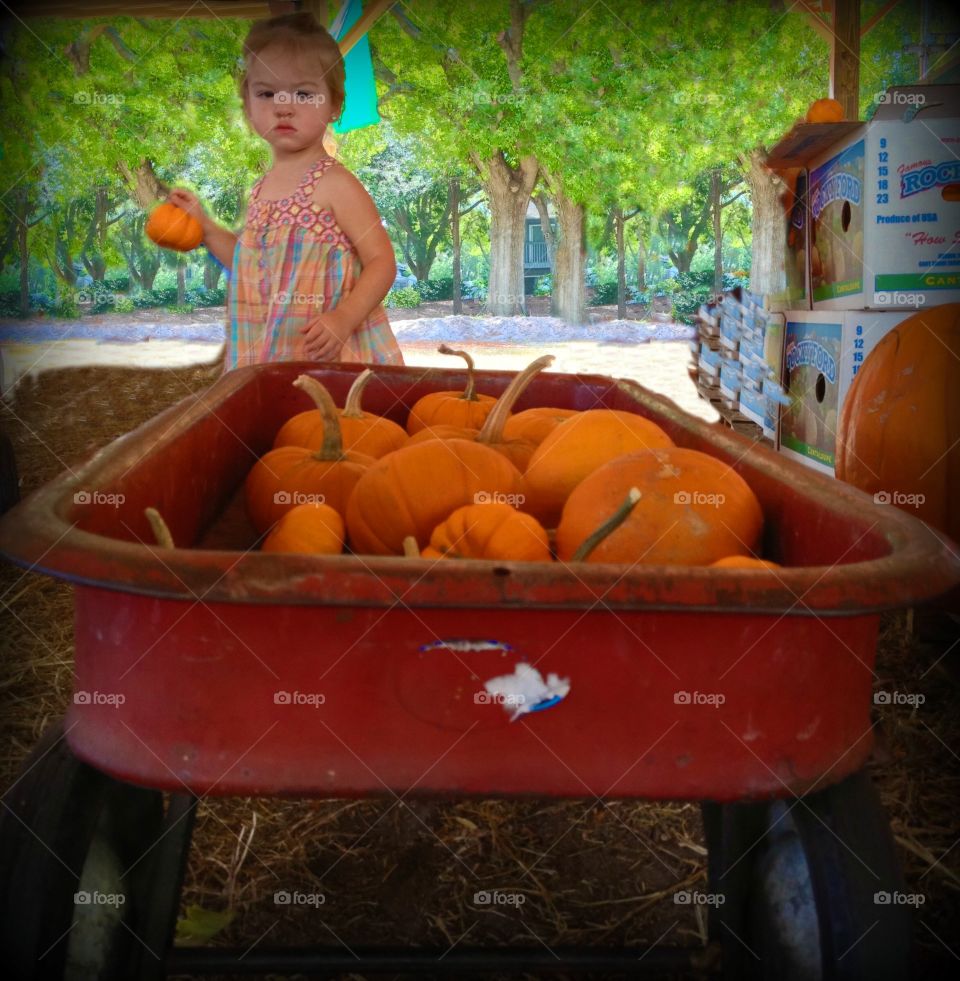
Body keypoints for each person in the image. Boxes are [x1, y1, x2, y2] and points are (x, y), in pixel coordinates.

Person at [167, 12, 403, 370]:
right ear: (248, 107)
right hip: (271, 355)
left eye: (304, 93)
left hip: (329, 360)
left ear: (335, 104)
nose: (283, 105)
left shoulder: (334, 184)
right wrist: (206, 226)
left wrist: (343, 319)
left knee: (332, 425)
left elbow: (381, 261)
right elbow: (250, 266)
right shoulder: (262, 189)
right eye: (266, 93)